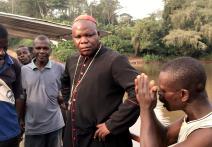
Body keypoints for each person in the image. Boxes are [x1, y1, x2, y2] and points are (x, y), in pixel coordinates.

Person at [61, 15, 140, 147]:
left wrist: (113, 124)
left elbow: (138, 92)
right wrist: (68, 102)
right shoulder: (72, 59)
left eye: (89, 35)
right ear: (73, 38)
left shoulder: (115, 60)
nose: (83, 41)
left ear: (98, 34)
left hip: (102, 137)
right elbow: (65, 82)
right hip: (75, 131)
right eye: (78, 37)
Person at [135, 57, 212, 147]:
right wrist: (149, 109)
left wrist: (144, 108)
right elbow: (164, 138)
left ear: (183, 95)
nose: (159, 94)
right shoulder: (195, 117)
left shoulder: (207, 134)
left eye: (164, 91)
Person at [21, 35, 65, 147]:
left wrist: (61, 98)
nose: (42, 51)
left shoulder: (60, 68)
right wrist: (20, 119)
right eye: (38, 48)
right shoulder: (24, 70)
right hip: (32, 126)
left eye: (45, 48)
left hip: (54, 125)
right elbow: (22, 96)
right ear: (33, 50)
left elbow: (66, 90)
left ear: (50, 50)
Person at [0, 24, 24, 147]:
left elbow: (19, 94)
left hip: (10, 132)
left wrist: (18, 119)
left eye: (4, 47)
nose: (1, 52)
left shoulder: (14, 64)